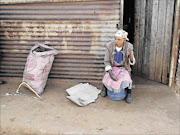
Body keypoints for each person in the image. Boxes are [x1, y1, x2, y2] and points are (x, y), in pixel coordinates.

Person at [101, 29, 135, 103]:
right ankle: (104, 87)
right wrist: (110, 73)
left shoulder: (129, 46)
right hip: (112, 67)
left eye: (119, 39)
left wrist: (130, 56)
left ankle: (129, 92)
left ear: (124, 40)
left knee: (127, 79)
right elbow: (106, 61)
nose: (116, 41)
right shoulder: (109, 46)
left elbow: (132, 61)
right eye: (115, 39)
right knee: (107, 76)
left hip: (123, 68)